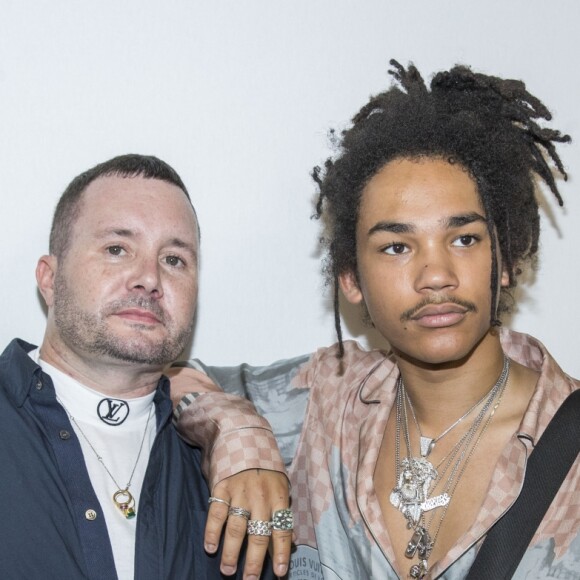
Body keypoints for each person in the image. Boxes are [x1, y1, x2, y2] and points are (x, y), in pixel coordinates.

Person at [171, 61, 579, 579]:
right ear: (351, 280)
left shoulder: (568, 444)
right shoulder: (324, 399)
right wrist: (239, 438)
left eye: (464, 238)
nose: (436, 274)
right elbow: (166, 378)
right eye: (396, 246)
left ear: (505, 257)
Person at [0, 154, 291, 580]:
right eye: (117, 249)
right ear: (49, 278)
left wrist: (239, 428)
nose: (149, 278)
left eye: (174, 259)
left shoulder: (231, 473)